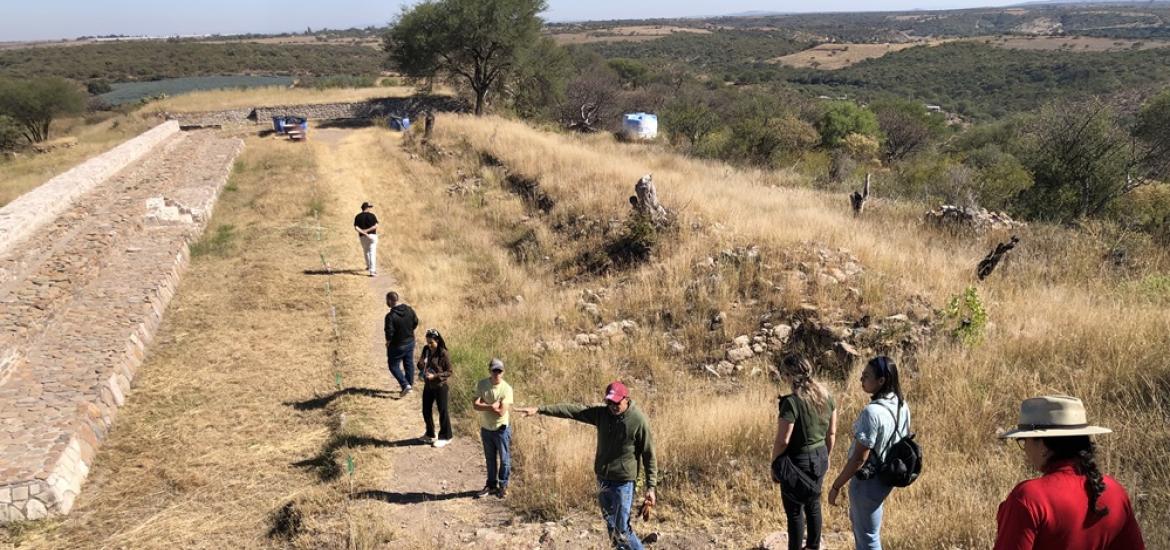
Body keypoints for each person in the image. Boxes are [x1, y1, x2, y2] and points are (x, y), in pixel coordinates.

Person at [516, 381, 657, 550]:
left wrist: (651, 487)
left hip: (623, 483)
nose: (612, 407)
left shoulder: (638, 420)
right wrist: (539, 409)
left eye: (616, 403)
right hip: (603, 479)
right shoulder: (602, 414)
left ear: (626, 399)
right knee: (611, 526)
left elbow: (649, 455)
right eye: (609, 402)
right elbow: (572, 410)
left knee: (622, 530)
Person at [995, 395, 1145, 550]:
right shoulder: (1115, 491)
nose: (1025, 448)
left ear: (1045, 446)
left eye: (1025, 440)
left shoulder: (1029, 497)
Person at [827, 356, 910, 550]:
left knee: (867, 538)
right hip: (887, 476)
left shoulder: (871, 412)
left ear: (881, 381)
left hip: (868, 481)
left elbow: (859, 458)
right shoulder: (901, 405)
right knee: (869, 531)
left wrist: (837, 485)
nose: (861, 380)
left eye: (866, 376)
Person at [772, 355, 837, 550]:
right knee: (813, 504)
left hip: (797, 461)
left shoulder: (791, 403)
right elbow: (832, 433)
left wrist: (775, 464)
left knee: (794, 512)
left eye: (784, 374)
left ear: (790, 375)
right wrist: (827, 457)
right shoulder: (826, 396)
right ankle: (814, 546)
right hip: (820, 457)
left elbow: (783, 441)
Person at [472, 358, 513, 499]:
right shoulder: (482, 384)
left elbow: (502, 411)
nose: (497, 374)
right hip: (486, 428)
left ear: (503, 372)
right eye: (494, 370)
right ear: (489, 370)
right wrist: (491, 406)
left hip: (501, 428)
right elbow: (475, 405)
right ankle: (491, 485)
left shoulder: (507, 389)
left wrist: (485, 404)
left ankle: (503, 485)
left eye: (499, 371)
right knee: (490, 459)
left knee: (504, 459)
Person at [418, 328, 453, 448]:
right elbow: (421, 363)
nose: (429, 345)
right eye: (427, 342)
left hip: (440, 386)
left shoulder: (443, 353)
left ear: (437, 340)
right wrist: (421, 365)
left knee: (442, 411)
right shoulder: (426, 349)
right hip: (428, 385)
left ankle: (446, 436)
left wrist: (435, 376)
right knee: (426, 410)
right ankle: (430, 434)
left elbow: (449, 372)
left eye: (431, 342)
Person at [384, 291, 418, 397]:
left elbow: (389, 333)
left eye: (386, 300)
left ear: (390, 300)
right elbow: (416, 321)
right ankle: (409, 385)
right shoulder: (409, 309)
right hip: (410, 342)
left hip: (397, 345)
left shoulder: (390, 316)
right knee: (408, 364)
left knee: (393, 365)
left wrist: (388, 343)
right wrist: (409, 332)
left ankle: (405, 385)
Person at [353, 202, 379, 277]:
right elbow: (375, 226)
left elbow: (356, 228)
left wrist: (363, 232)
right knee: (372, 253)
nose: (370, 209)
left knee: (366, 251)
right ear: (367, 208)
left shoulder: (357, 216)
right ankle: (372, 271)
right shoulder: (372, 215)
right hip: (372, 236)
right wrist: (367, 231)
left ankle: (368, 266)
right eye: (369, 207)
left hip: (362, 237)